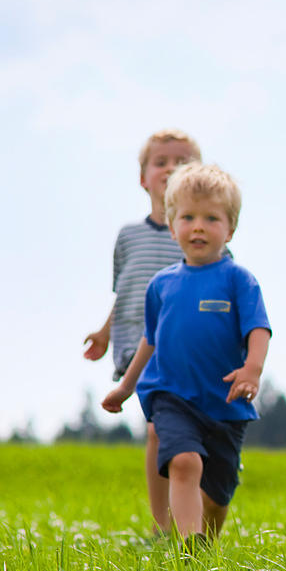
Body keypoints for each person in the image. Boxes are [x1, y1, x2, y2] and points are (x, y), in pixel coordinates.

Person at [103, 163, 271, 545]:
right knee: (183, 462)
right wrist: (127, 387)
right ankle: (187, 547)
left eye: (211, 218)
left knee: (217, 498)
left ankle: (204, 545)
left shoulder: (238, 279)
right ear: (172, 223)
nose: (198, 226)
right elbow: (150, 339)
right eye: (188, 217)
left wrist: (252, 370)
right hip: (172, 396)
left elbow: (258, 329)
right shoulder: (161, 285)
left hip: (224, 401)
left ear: (230, 229)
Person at [83, 129, 201, 536]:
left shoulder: (200, 236)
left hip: (188, 349)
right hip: (138, 347)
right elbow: (127, 290)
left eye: (182, 162)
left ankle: (183, 519)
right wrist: (103, 333)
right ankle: (162, 526)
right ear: (143, 178)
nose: (170, 168)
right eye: (161, 162)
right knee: (157, 427)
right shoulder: (129, 237)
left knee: (177, 432)